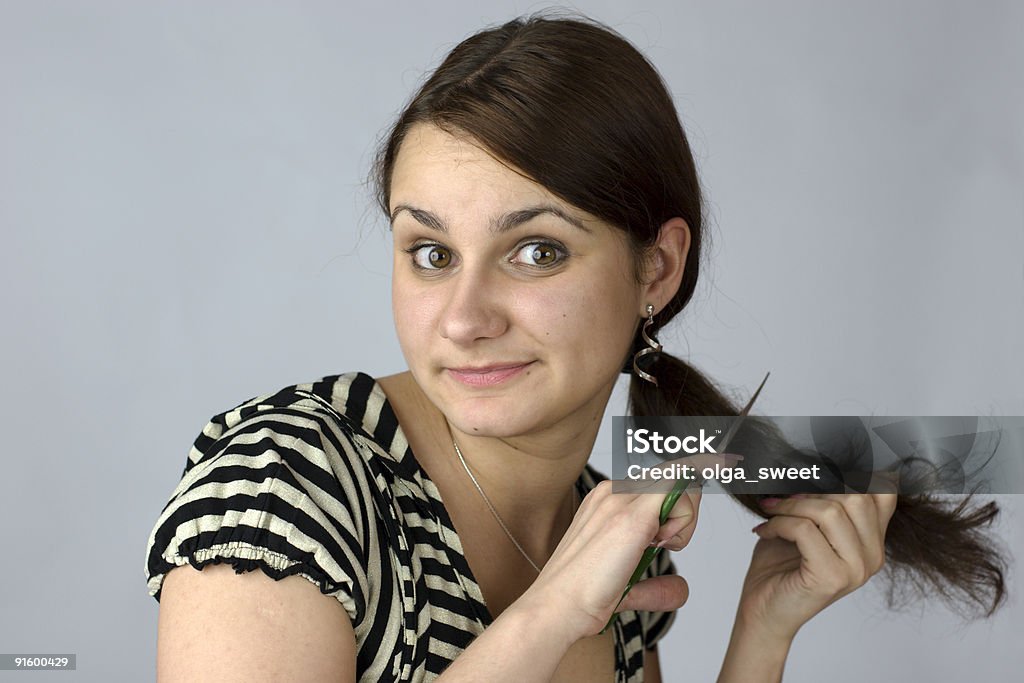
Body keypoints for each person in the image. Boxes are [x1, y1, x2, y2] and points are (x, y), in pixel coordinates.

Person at [144, 13, 1006, 683]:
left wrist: (762, 634)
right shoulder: (285, 488)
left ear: (656, 268)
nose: (464, 316)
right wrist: (550, 612)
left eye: (536, 251)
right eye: (431, 254)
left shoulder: (612, 537)